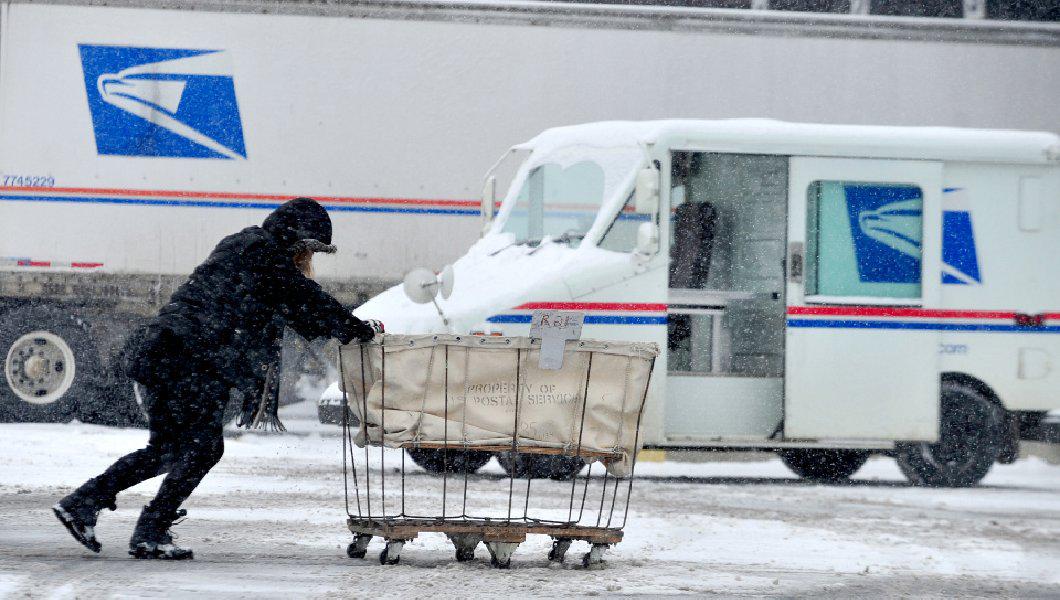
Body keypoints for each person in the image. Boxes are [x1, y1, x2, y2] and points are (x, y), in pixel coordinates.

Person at [53, 197, 381, 560]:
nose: (308, 257)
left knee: (168, 449)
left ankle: (86, 504)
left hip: (167, 351)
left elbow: (296, 309)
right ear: (294, 238)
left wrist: (344, 327)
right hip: (190, 359)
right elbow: (306, 300)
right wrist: (356, 328)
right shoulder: (263, 252)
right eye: (309, 248)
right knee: (203, 449)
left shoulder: (245, 246)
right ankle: (148, 528)